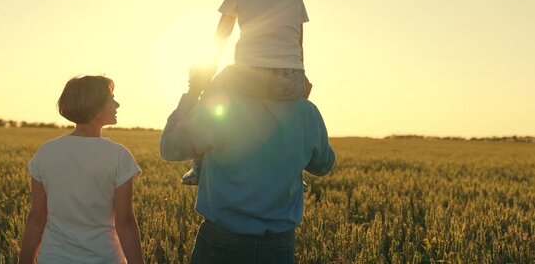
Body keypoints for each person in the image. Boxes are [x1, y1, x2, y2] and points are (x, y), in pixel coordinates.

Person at [161, 67, 335, 264]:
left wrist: (194, 91)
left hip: (221, 243)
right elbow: (323, 165)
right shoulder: (306, 111)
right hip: (279, 247)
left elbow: (170, 147)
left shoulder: (224, 100)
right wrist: (302, 106)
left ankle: (198, 167)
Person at [182, 0, 312, 185]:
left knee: (211, 97)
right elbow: (298, 42)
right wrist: (301, 76)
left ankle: (199, 164)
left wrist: (210, 68)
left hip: (250, 73)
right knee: (290, 118)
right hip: (291, 77)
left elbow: (224, 31)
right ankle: (296, 171)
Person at [19, 76, 144, 264]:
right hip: (105, 258)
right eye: (111, 99)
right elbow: (124, 221)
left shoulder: (45, 153)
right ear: (95, 109)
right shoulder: (119, 155)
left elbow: (37, 217)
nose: (117, 104)